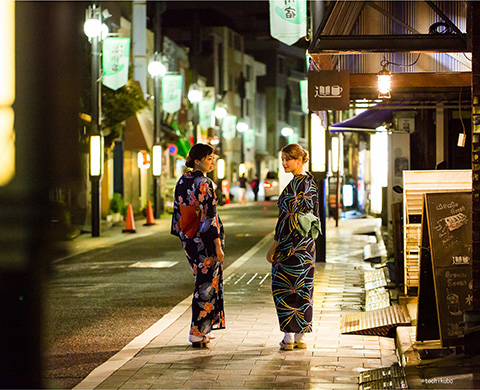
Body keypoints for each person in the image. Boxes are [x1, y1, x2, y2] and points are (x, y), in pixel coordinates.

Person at [171, 143, 225, 348]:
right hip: (205, 239)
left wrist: (185, 236)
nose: (212, 161)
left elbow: (178, 211)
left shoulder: (183, 180)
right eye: (209, 158)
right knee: (206, 283)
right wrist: (217, 245)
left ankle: (204, 330)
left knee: (203, 280)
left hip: (189, 236)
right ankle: (197, 331)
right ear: (197, 160)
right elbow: (209, 215)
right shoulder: (204, 183)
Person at [266, 144, 320, 351]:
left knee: (285, 287)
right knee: (304, 288)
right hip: (307, 244)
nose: (284, 162)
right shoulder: (311, 183)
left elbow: (286, 219)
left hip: (290, 244)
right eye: (283, 158)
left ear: (300, 160)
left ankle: (288, 337)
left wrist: (274, 246)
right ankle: (301, 337)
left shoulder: (294, 186)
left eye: (289, 158)